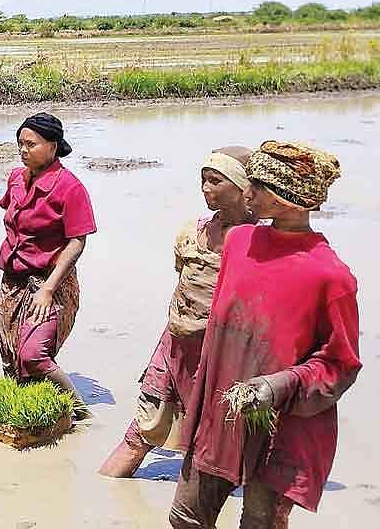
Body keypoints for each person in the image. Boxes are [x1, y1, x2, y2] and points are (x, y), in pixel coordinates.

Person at [169, 141, 360, 529]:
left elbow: (341, 364)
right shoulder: (240, 242)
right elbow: (216, 333)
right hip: (221, 413)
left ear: (286, 198)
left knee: (260, 522)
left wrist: (279, 385)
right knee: (186, 518)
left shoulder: (330, 275)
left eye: (256, 185)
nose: (247, 192)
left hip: (282, 423)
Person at [99, 147, 256, 478]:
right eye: (203, 180)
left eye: (215, 181)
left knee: (217, 440)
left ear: (243, 188)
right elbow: (184, 282)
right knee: (143, 428)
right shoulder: (192, 231)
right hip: (175, 344)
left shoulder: (257, 242)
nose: (205, 188)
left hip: (220, 356)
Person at [0, 112, 96, 410]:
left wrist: (49, 289)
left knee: (34, 355)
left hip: (49, 283)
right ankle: (30, 413)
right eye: (20, 144)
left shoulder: (70, 187)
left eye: (31, 144)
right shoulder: (16, 178)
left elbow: (78, 241)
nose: (23, 150)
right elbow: (12, 216)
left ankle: (78, 411)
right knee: (12, 357)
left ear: (53, 146)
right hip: (12, 283)